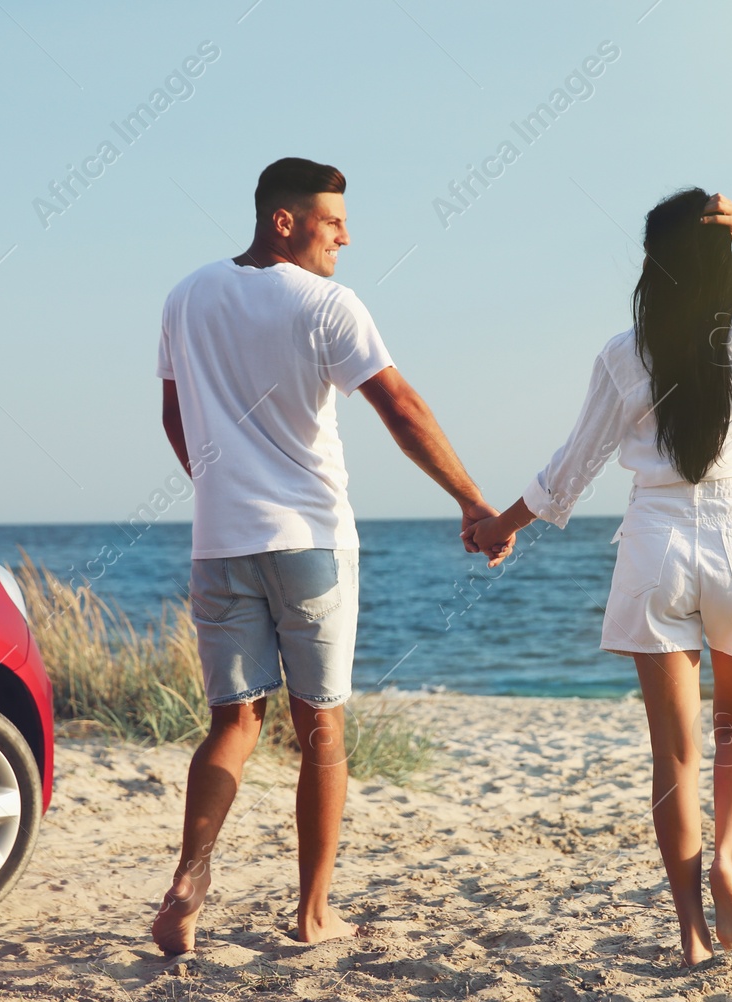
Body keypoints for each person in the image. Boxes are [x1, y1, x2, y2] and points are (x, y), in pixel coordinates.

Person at [470, 190, 732, 965]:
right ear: (724, 258)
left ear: (650, 264)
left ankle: (688, 932)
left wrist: (496, 527)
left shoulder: (625, 354)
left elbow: (569, 470)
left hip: (655, 545)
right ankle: (727, 862)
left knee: (673, 754)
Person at [152, 157, 509, 953]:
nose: (347, 234)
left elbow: (175, 418)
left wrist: (222, 487)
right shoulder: (328, 305)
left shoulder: (187, 295)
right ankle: (313, 914)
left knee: (233, 724)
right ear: (285, 220)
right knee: (322, 731)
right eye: (332, 219)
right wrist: (473, 502)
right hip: (311, 541)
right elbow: (402, 407)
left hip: (220, 545)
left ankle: (190, 878)